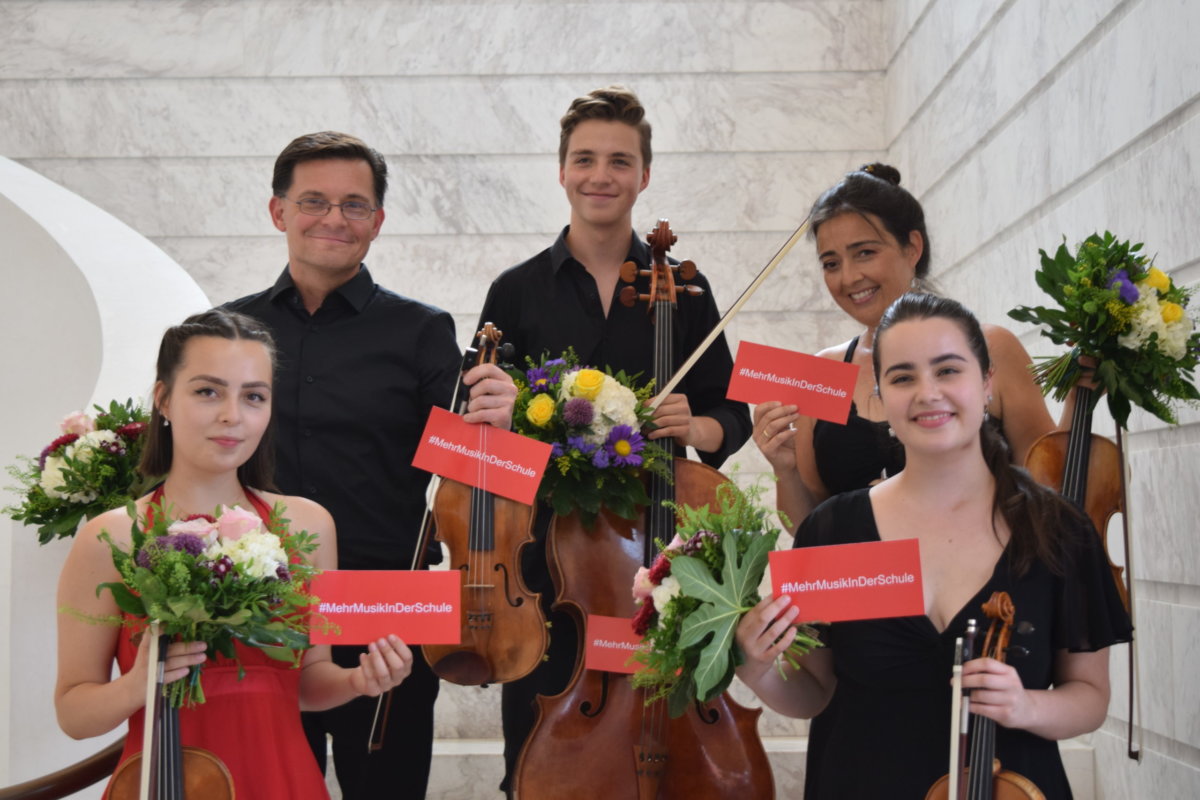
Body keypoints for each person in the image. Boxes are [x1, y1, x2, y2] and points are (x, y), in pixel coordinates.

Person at [735, 293, 1132, 799]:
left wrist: (1025, 706)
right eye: (903, 377)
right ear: (879, 395)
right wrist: (756, 669)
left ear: (986, 383)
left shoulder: (1058, 528)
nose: (927, 393)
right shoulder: (831, 529)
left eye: (948, 371)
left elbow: (1091, 697)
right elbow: (816, 692)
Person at [476, 85, 752, 795]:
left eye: (620, 161)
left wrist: (700, 425)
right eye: (585, 159)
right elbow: (476, 433)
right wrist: (497, 409)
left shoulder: (687, 289)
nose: (601, 175)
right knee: (542, 750)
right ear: (562, 170)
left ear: (644, 175)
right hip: (548, 568)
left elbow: (733, 412)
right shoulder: (516, 291)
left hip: (662, 559)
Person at [225, 131, 516, 799]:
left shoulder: (421, 330)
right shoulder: (228, 332)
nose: (334, 219)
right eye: (314, 202)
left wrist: (501, 425)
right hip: (255, 603)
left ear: (377, 223)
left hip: (385, 603)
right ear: (278, 212)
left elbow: (477, 472)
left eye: (355, 205)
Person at [55, 309, 413, 800]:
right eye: (208, 391)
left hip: (285, 782)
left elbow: (307, 682)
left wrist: (361, 681)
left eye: (253, 397)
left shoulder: (309, 525)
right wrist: (137, 683)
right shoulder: (111, 537)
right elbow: (73, 714)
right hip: (164, 785)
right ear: (163, 399)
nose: (232, 415)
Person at [753, 163, 1068, 529]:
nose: (849, 277)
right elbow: (808, 527)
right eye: (831, 263)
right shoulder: (821, 373)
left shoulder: (991, 347)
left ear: (912, 247)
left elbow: (1050, 479)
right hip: (867, 582)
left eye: (865, 252)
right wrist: (785, 469)